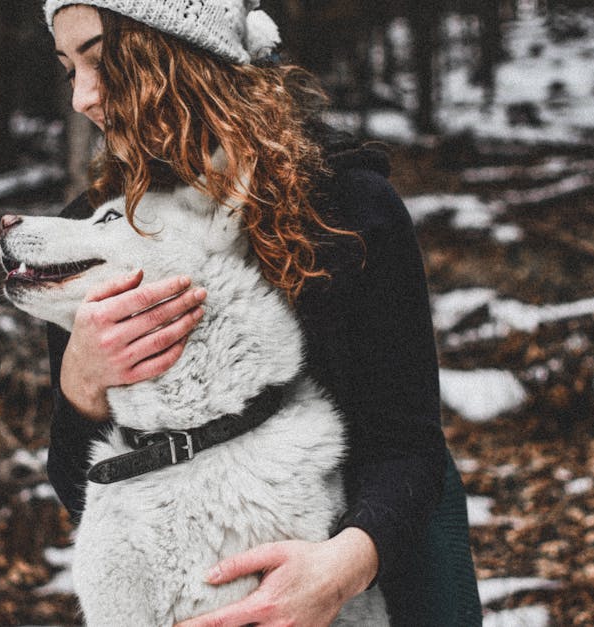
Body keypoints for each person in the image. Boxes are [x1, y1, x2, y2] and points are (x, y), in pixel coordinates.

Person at [39, 2, 482, 624]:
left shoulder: (350, 210)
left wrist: (338, 571)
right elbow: (82, 484)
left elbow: (405, 441)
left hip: (383, 547)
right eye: (68, 70)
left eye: (102, 60)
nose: (84, 97)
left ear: (181, 52)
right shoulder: (93, 234)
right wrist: (81, 385)